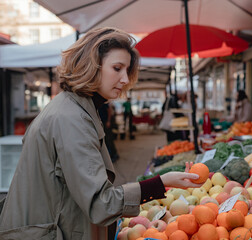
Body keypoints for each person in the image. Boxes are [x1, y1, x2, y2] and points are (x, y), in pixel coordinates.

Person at [0, 27, 202, 240]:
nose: (125, 79)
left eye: (127, 70)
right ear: (91, 66)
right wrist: (161, 183)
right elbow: (100, 203)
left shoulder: (72, 107)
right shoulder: (72, 119)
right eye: (117, 68)